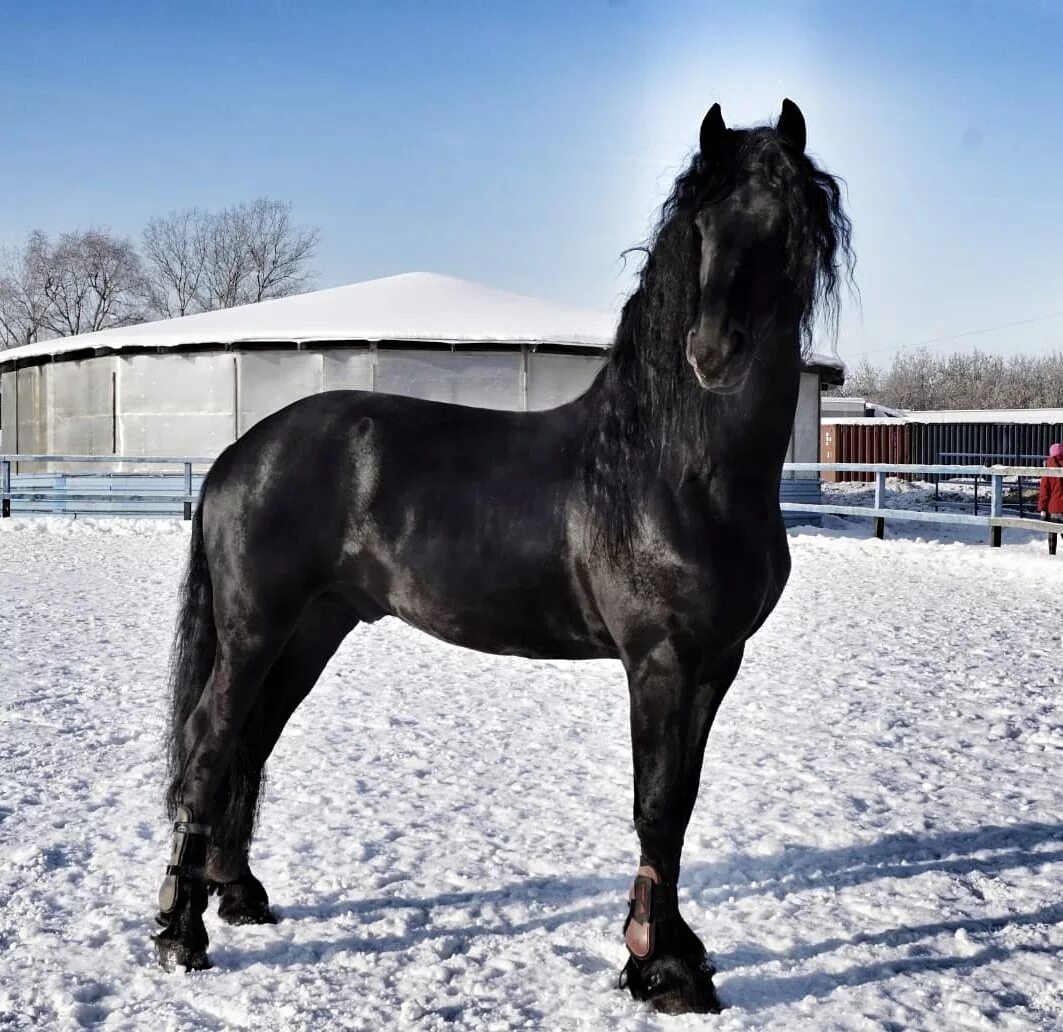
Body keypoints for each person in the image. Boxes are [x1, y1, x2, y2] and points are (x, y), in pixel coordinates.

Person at [1038, 442, 1063, 556]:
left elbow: (1044, 490)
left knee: (1052, 532)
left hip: (1053, 507)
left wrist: (1043, 508)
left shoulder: (1048, 467)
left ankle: (1051, 554)